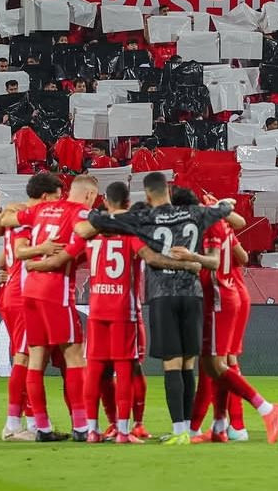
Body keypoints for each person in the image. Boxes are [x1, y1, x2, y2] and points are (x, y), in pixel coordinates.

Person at [82, 172, 237, 445]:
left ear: (147, 194)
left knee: (172, 364)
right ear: (168, 190)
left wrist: (97, 215)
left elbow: (98, 221)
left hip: (163, 296)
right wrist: (224, 204)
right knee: (188, 364)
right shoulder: (195, 213)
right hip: (192, 295)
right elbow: (225, 209)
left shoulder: (145, 218)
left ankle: (178, 431)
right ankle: (187, 429)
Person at [52, 181, 198, 444]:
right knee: (127, 367)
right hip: (123, 310)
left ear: (105, 202)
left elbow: (66, 254)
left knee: (94, 368)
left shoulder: (91, 234)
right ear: (128, 204)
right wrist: (186, 264)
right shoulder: (132, 233)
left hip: (97, 309)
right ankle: (124, 430)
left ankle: (92, 430)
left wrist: (34, 262)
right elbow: (152, 258)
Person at [0, 174, 101, 442]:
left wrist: (10, 210)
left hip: (27, 291)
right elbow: (80, 239)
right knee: (70, 357)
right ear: (90, 196)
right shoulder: (77, 213)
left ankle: (40, 426)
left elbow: (3, 230)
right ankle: (78, 426)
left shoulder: (36, 212)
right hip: (48, 291)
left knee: (36, 359)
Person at [172, 196, 278, 445]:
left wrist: (190, 258)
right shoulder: (221, 225)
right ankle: (225, 426)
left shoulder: (206, 225)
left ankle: (253, 414)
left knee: (214, 365)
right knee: (222, 363)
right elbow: (242, 256)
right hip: (234, 290)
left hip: (221, 296)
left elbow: (214, 261)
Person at [0, 171, 65, 441]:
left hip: (12, 291)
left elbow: (2, 257)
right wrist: (44, 248)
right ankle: (13, 425)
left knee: (29, 358)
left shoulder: (17, 216)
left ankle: (34, 423)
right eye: (57, 198)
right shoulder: (30, 221)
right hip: (22, 295)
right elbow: (18, 252)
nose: (59, 203)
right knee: (24, 359)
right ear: (45, 197)